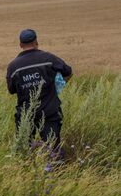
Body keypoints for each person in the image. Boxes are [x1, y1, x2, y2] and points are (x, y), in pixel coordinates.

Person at [6, 29, 73, 160]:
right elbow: (68, 72)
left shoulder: (13, 66)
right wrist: (59, 85)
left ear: (20, 44)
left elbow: (12, 90)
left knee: (24, 150)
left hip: (26, 114)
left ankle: (25, 173)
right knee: (54, 148)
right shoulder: (49, 58)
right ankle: (58, 173)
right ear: (36, 42)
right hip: (49, 112)